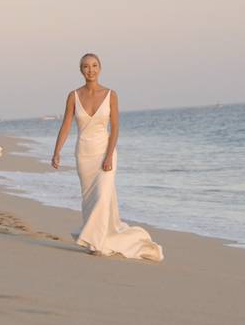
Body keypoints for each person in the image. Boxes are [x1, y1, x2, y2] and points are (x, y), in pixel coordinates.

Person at [51, 53, 163, 261]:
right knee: (90, 199)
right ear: (81, 70)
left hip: (104, 151)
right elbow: (66, 125)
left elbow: (116, 128)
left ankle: (96, 242)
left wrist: (109, 155)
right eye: (86, 66)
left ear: (100, 68)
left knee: (103, 195)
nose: (90, 70)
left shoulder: (111, 94)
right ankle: (96, 239)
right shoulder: (73, 96)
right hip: (84, 153)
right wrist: (57, 151)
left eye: (94, 66)